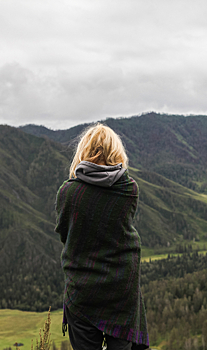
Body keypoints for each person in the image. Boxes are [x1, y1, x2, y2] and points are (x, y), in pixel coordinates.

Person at [55, 123, 149, 350]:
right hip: (121, 291)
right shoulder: (129, 189)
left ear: (83, 151)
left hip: (82, 290)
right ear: (117, 151)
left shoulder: (68, 192)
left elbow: (64, 233)